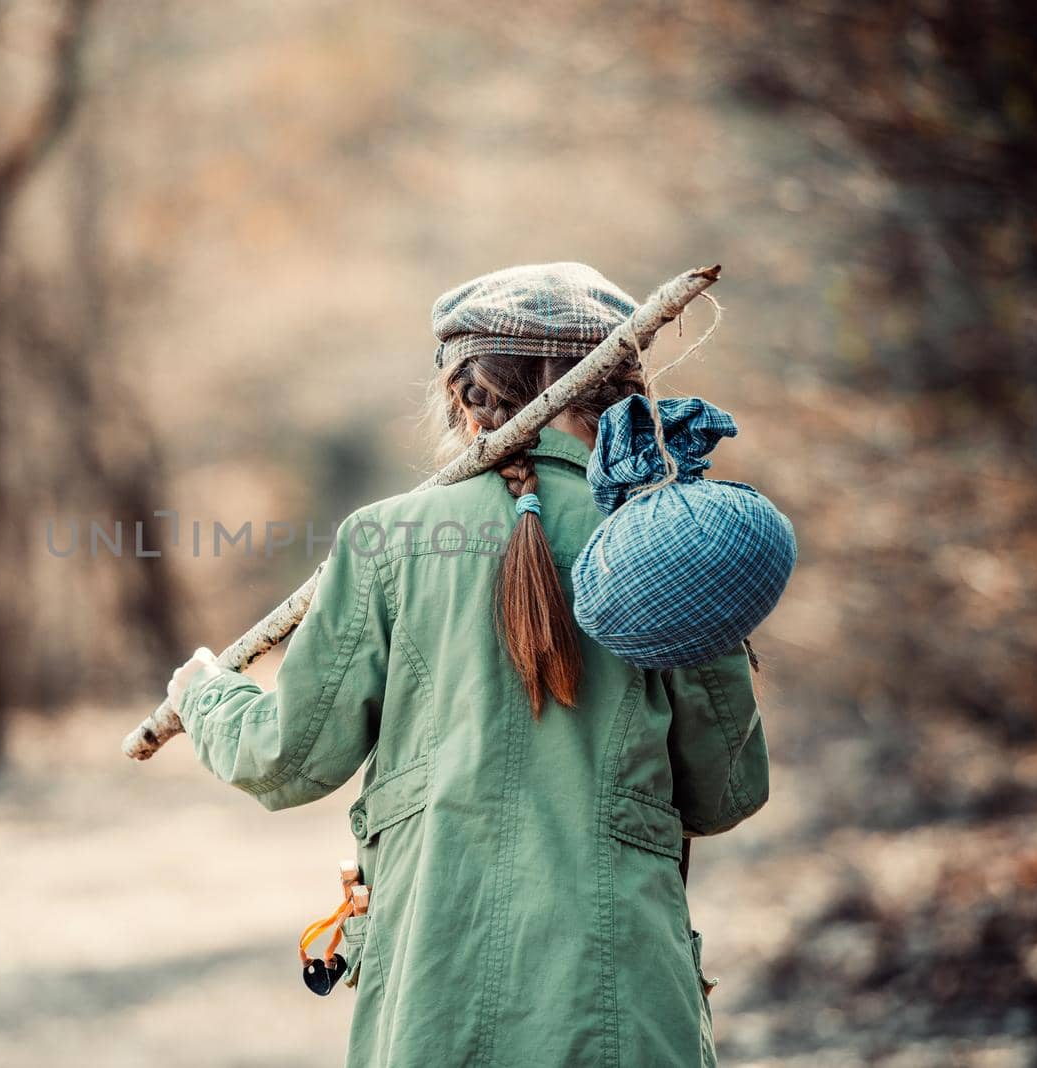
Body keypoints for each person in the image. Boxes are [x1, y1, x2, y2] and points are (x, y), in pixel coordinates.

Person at [166, 263, 769, 1068]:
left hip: (433, 994)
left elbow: (288, 760)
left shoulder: (387, 539)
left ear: (465, 395)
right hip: (624, 1003)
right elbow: (727, 791)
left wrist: (205, 695)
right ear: (625, 389)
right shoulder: (670, 543)